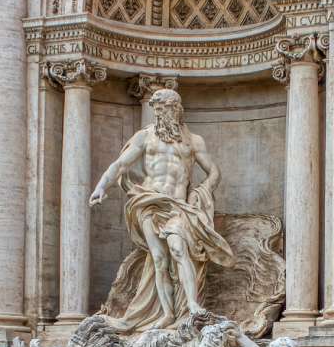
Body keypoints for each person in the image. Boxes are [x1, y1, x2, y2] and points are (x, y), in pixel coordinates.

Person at [90, 88, 235, 332]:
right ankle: (167, 313)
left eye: (164, 109)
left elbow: (214, 172)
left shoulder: (193, 140)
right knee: (159, 259)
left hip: (177, 206)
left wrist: (200, 193)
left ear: (176, 109)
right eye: (156, 110)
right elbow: (120, 164)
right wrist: (101, 187)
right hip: (149, 202)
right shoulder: (145, 137)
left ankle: (191, 305)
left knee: (179, 250)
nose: (160, 114)